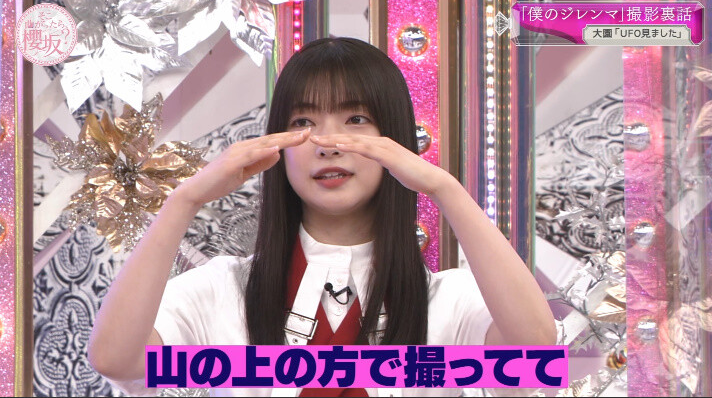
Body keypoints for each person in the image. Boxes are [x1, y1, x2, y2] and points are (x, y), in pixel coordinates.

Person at [87, 37, 556, 397]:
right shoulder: (223, 289)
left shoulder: (446, 300)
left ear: (394, 142)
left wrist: (443, 188)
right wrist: (184, 200)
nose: (327, 143)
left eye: (356, 120)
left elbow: (534, 358)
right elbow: (117, 360)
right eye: (303, 122)